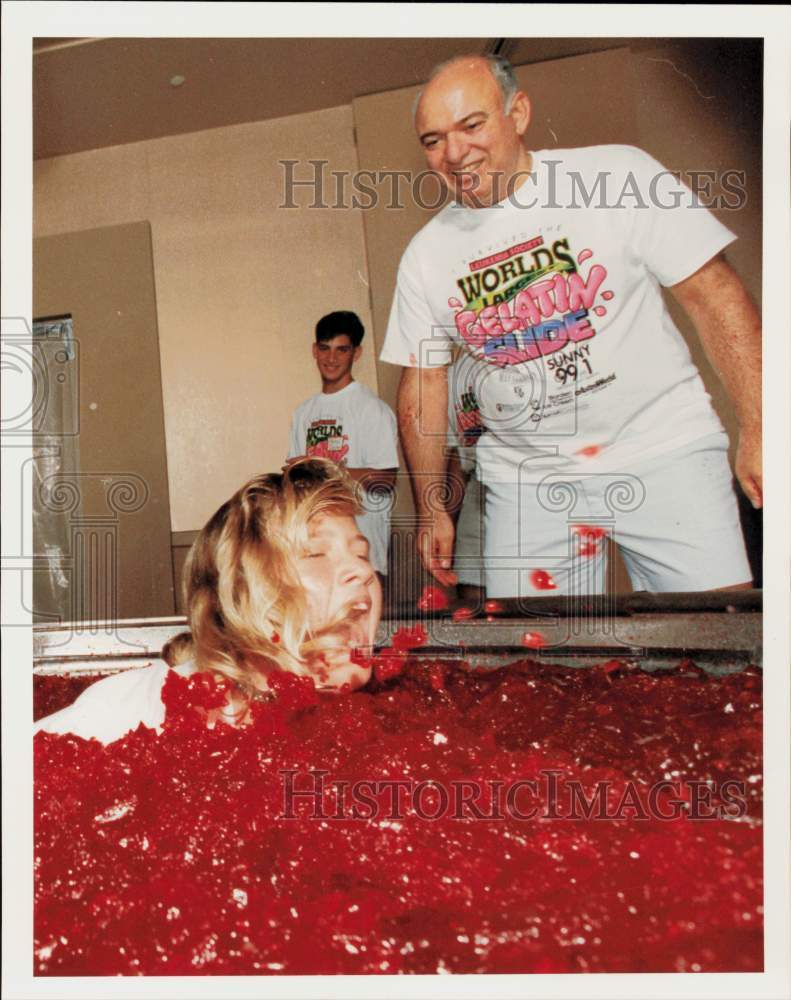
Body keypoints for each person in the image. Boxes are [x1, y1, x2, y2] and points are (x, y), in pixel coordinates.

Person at [381, 54, 761, 598]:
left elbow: (713, 293)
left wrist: (764, 426)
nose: (454, 153)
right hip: (526, 480)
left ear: (519, 112)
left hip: (663, 447)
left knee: (714, 640)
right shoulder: (425, 255)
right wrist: (432, 507)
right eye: (433, 140)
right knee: (539, 665)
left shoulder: (617, 175)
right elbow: (423, 382)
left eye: (472, 125)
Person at [34, 459, 383, 745]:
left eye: (362, 553)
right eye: (316, 553)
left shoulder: (375, 727)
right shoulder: (131, 712)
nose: (362, 570)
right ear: (240, 596)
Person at [287, 310, 398, 579]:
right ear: (314, 350)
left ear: (356, 353)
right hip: (317, 548)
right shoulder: (303, 412)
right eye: (325, 348)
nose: (331, 358)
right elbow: (294, 477)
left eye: (341, 349)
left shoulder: (372, 409)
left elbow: (386, 478)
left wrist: (324, 470)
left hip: (363, 549)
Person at [446, 351, 486, 603]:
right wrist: (445, 523)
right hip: (477, 486)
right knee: (470, 588)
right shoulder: (451, 378)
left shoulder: (517, 353)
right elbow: (456, 463)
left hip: (528, 480)